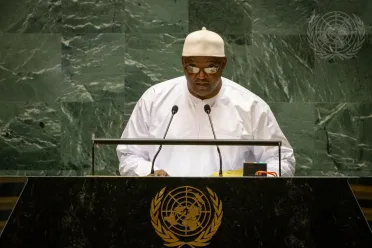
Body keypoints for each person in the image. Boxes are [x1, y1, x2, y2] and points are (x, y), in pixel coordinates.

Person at [116, 27, 296, 177]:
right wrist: (151, 172)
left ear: (223, 64)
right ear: (182, 63)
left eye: (211, 68)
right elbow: (128, 154)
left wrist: (257, 176)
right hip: (166, 206)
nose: (200, 76)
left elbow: (283, 159)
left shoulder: (250, 106)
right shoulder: (154, 99)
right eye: (192, 67)